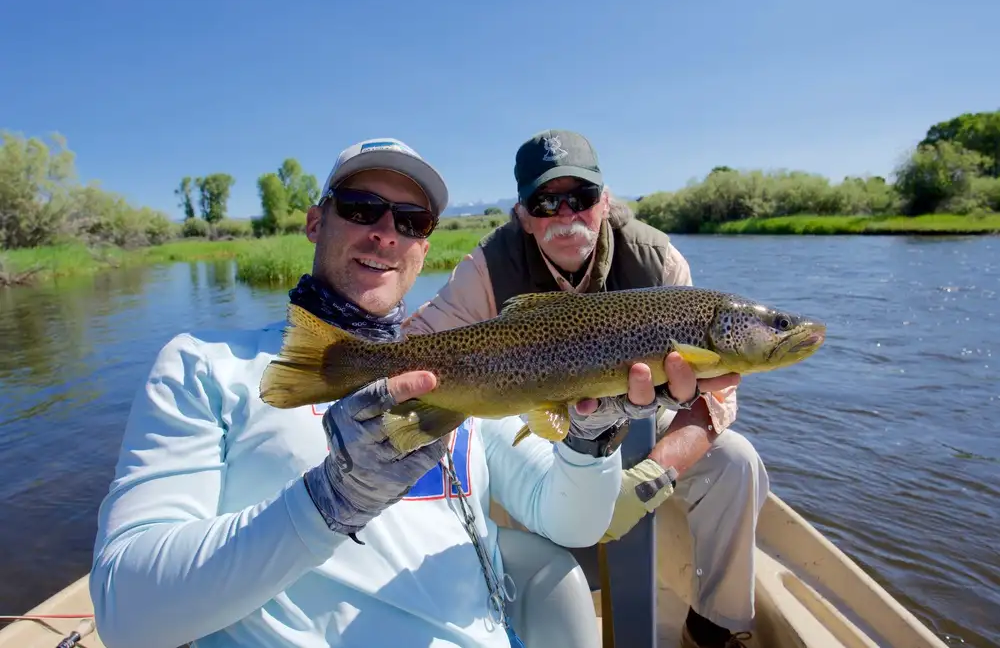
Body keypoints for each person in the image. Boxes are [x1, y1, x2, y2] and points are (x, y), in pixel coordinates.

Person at [88, 136, 715, 648]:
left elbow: (571, 522)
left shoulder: (466, 368)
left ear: (424, 246)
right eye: (362, 208)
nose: (387, 233)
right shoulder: (206, 365)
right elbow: (126, 616)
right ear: (314, 222)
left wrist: (589, 440)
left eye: (411, 221)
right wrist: (332, 499)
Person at [404, 129, 766, 648]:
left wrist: (649, 478)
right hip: (536, 410)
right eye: (546, 201)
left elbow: (715, 398)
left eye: (582, 197)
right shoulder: (491, 264)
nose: (566, 213)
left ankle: (714, 624)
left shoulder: (656, 261)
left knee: (737, 462)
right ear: (523, 214)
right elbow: (421, 339)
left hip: (647, 410)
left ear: (606, 201)